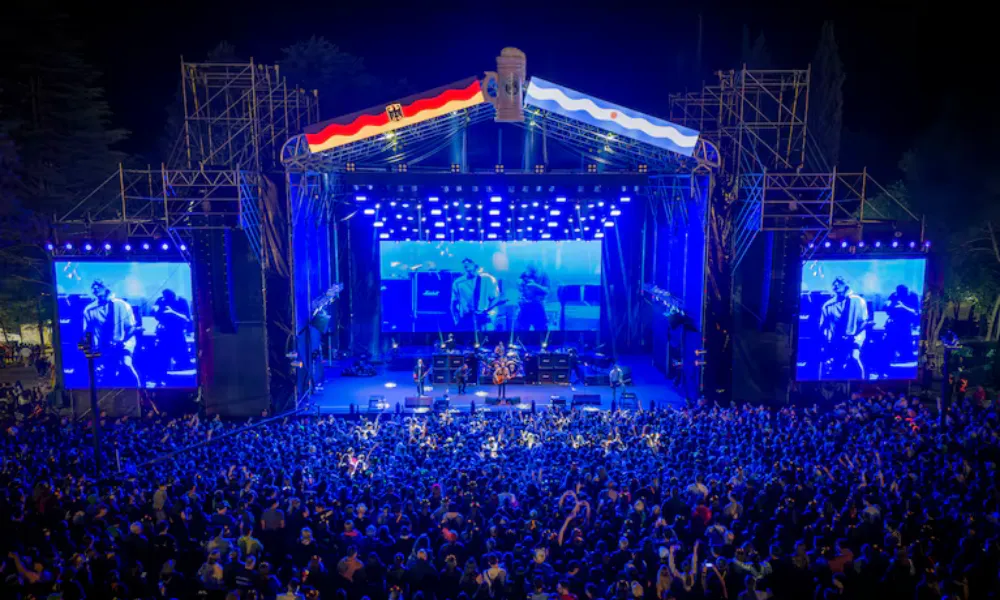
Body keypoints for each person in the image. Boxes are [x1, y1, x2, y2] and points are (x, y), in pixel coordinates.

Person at [82, 279, 142, 388]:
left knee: (126, 364)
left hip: (124, 342)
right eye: (93, 286)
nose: (95, 288)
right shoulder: (89, 310)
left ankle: (139, 390)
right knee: (108, 373)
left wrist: (120, 342)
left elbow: (131, 328)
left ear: (106, 288)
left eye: (99, 285)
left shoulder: (122, 305)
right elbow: (88, 332)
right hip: (104, 346)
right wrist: (92, 350)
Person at [818, 276, 869, 380]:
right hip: (836, 339)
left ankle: (862, 382)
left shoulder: (858, 301)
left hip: (855, 337)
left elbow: (863, 322)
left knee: (854, 358)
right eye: (834, 283)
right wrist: (826, 341)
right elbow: (824, 326)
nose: (836, 285)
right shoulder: (828, 305)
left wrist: (852, 336)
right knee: (835, 364)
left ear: (846, 285)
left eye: (840, 282)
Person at [450, 258, 501, 333]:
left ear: (476, 265)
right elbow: (453, 303)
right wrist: (456, 320)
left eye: (469, 261)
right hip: (466, 319)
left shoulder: (488, 279)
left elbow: (496, 298)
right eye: (464, 261)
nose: (466, 263)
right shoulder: (458, 282)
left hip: (485, 318)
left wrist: (487, 313)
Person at [153, 289, 192, 386]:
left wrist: (173, 312)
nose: (167, 300)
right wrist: (155, 310)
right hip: (164, 335)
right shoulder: (161, 301)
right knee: (162, 360)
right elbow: (156, 314)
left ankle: (182, 384)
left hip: (177, 335)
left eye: (169, 298)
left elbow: (187, 318)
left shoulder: (182, 301)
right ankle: (160, 383)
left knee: (182, 360)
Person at [885, 284, 919, 363]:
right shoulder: (894, 295)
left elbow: (915, 312)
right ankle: (893, 356)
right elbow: (887, 305)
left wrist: (903, 306)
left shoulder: (913, 296)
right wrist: (890, 305)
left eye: (903, 294)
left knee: (906, 341)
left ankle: (905, 357)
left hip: (907, 323)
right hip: (895, 322)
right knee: (892, 339)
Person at [515, 263, 551, 332]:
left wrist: (535, 285)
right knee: (521, 331)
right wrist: (519, 283)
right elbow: (519, 285)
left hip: (538, 306)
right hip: (525, 306)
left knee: (541, 331)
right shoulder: (524, 274)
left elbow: (547, 290)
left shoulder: (544, 274)